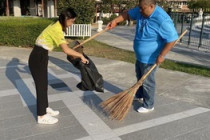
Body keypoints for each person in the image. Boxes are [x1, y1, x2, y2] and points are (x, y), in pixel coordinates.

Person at [106, 0, 178, 113]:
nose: (139, 11)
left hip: (151, 58)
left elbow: (172, 38)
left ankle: (149, 105)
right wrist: (115, 21)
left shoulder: (162, 19)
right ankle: (139, 95)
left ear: (151, 6)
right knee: (139, 77)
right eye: (139, 8)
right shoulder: (142, 10)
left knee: (148, 82)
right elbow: (127, 14)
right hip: (140, 56)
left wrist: (162, 55)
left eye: (142, 8)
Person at [28, 8, 89, 124]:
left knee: (43, 84)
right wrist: (81, 56)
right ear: (66, 19)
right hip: (38, 57)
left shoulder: (57, 25)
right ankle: (41, 116)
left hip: (41, 55)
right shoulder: (57, 29)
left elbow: (64, 43)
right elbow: (66, 50)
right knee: (41, 86)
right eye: (72, 21)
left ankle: (45, 108)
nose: (72, 24)